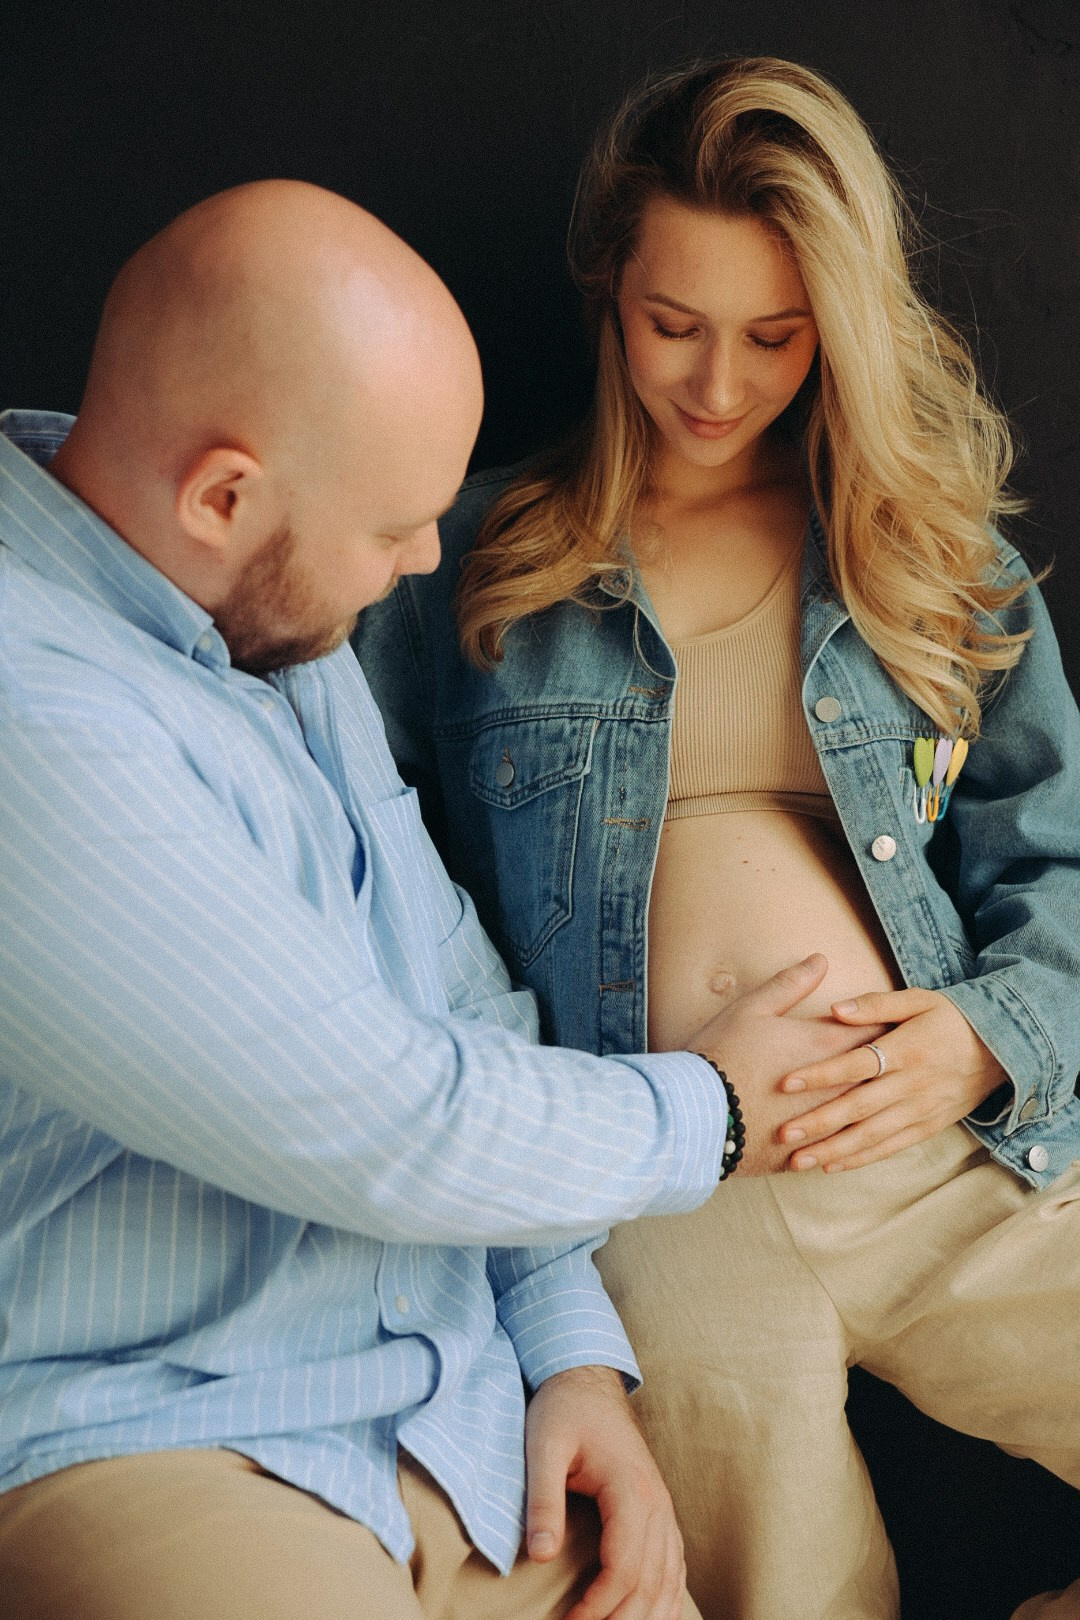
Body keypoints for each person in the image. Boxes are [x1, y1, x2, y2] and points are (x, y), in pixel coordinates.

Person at [0, 180, 883, 1620]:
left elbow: (462, 995)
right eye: (394, 527)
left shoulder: (267, 625)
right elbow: (386, 1120)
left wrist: (567, 1350)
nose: (425, 562)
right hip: (159, 1435)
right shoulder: (34, 711)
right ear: (224, 494)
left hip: (443, 1410)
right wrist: (719, 1110)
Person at [353, 58, 1080, 1620]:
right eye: (673, 324)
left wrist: (985, 1038)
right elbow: (364, 892)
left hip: (957, 1153)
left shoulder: (941, 565)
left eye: (774, 335)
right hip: (668, 1209)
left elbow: (1061, 868)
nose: (718, 382)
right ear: (612, 289)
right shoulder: (462, 560)